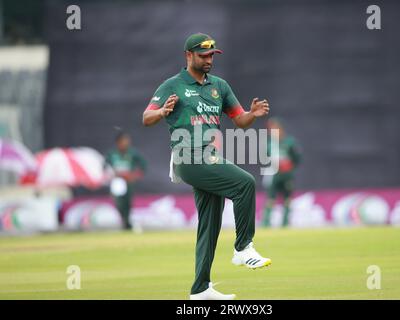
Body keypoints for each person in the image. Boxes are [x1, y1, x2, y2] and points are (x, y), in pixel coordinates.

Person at [143, 33, 271, 300]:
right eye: (203, 55)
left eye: (212, 55)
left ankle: (200, 289)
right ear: (188, 56)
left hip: (208, 156)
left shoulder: (220, 86)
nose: (209, 59)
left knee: (210, 222)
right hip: (187, 155)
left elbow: (239, 121)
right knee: (245, 183)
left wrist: (252, 115)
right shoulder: (173, 85)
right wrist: (162, 112)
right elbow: (147, 117)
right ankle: (243, 248)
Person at [262, 118, 301, 227]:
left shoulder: (289, 142)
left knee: (287, 199)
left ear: (280, 129)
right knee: (270, 199)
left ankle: (285, 223)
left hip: (287, 175)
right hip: (274, 174)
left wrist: (289, 166)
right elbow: (266, 157)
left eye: (275, 128)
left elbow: (297, 158)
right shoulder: (270, 143)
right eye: (271, 129)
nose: (272, 131)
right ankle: (266, 223)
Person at [105, 131, 147, 230]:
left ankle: (127, 222)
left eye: (127, 140)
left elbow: (143, 165)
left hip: (128, 182)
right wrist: (112, 174)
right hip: (117, 182)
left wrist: (135, 175)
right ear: (118, 142)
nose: (126, 143)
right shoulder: (112, 154)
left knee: (128, 202)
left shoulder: (132, 153)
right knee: (119, 202)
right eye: (124, 141)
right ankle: (124, 220)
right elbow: (105, 166)